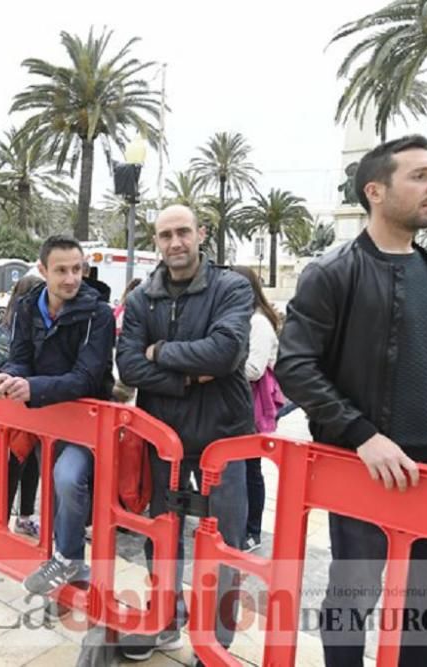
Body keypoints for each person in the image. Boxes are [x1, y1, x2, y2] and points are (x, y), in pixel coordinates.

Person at [275, 135, 427, 666]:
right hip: (364, 471)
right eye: (419, 176)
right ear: (375, 190)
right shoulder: (332, 272)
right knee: (354, 599)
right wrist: (363, 436)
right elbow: (296, 367)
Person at [116, 204, 254, 661]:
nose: (174, 243)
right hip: (165, 440)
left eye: (182, 233)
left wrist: (160, 351)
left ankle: (216, 644)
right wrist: (185, 377)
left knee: (226, 544)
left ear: (201, 234)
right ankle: (164, 621)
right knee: (162, 536)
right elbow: (129, 365)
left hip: (224, 438)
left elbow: (226, 352)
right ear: (156, 240)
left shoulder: (230, 286)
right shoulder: (141, 299)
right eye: (165, 235)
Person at [0, 235, 115, 595]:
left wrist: (33, 387)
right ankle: (68, 568)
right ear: (42, 269)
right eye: (61, 270)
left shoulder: (99, 313)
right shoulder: (29, 305)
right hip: (43, 418)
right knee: (52, 485)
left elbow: (87, 376)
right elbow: (18, 355)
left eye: (77, 269)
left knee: (66, 478)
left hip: (85, 421)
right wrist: (10, 375)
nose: (71, 278)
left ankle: (70, 558)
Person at [231, 265, 283, 553]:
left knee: (251, 469)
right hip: (236, 403)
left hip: (252, 405)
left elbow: (254, 369)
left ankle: (253, 530)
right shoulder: (240, 318)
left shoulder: (259, 323)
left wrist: (220, 362)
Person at [0, 274, 45, 538]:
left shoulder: (4, 325)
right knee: (15, 462)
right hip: (17, 403)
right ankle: (7, 519)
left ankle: (20, 517)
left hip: (22, 401)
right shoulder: (16, 329)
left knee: (26, 462)